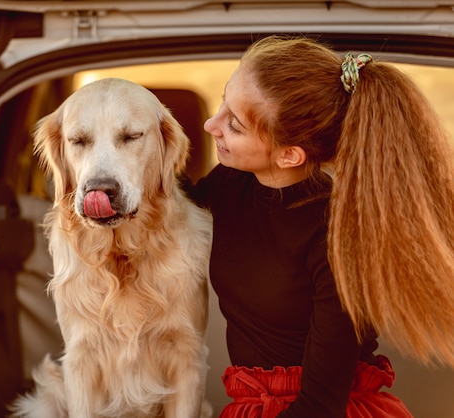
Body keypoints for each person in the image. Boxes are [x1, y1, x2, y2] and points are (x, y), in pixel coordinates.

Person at [187, 35, 454, 417]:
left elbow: (320, 404)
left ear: (290, 154)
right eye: (222, 103)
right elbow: (174, 208)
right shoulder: (232, 181)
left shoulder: (336, 236)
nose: (212, 125)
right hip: (250, 404)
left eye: (235, 124)